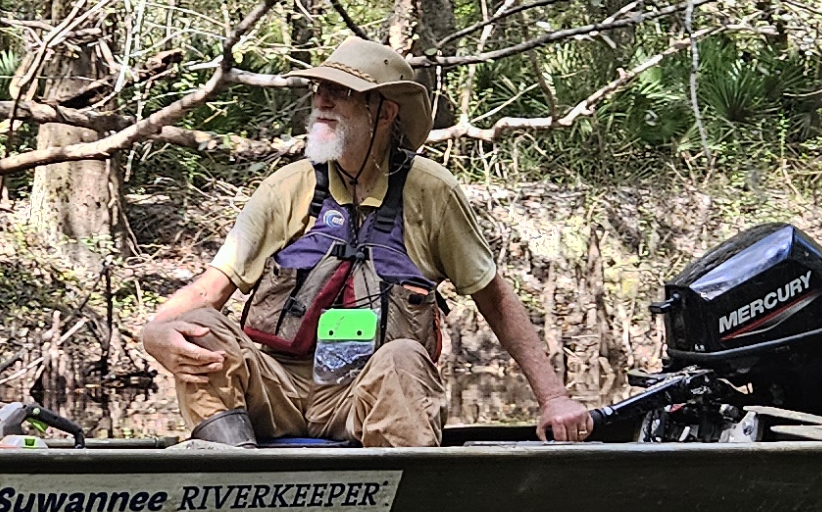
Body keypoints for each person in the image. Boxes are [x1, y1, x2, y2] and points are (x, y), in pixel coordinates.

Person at [133, 34, 592, 446]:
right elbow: (209, 289)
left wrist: (554, 399)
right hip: (279, 388)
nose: (322, 100)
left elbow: (493, 298)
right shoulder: (286, 187)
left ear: (385, 112)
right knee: (202, 325)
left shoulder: (431, 192)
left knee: (405, 357)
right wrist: (153, 332)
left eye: (342, 92)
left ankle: (400, 505)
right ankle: (234, 473)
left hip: (363, 395)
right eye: (319, 89)